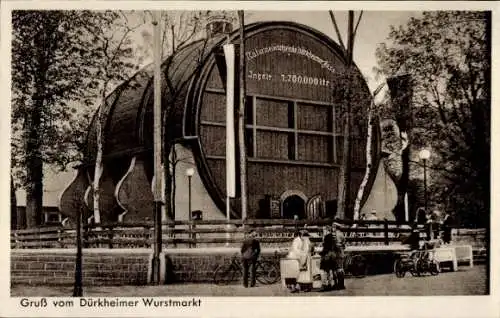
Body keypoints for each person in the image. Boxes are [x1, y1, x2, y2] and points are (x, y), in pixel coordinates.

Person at [319, 225, 335, 291]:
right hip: (331, 255)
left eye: (324, 230)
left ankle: (324, 285)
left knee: (323, 270)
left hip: (326, 255)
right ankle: (330, 284)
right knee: (330, 270)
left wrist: (321, 253)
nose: (323, 231)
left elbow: (326, 247)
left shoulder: (326, 237)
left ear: (326, 230)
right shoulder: (332, 236)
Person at [331, 222, 346, 290]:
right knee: (341, 268)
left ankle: (337, 284)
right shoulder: (341, 234)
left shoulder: (334, 235)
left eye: (333, 227)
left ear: (335, 227)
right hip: (341, 252)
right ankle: (341, 284)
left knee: (336, 269)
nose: (332, 228)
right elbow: (344, 243)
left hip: (336, 252)